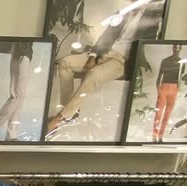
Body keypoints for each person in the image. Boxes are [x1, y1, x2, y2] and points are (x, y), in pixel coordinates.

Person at [46, 1, 149, 134]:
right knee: (65, 62)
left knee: (93, 74)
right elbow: (106, 36)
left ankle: (59, 119)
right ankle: (70, 111)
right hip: (104, 53)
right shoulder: (122, 14)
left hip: (121, 61)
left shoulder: (150, 18)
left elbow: (146, 45)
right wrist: (92, 56)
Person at [0, 42, 33, 141]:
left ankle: (12, 135)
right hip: (23, 54)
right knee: (17, 97)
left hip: (19, 53)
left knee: (18, 97)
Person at [153, 44, 184, 143]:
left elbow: (180, 77)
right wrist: (158, 89)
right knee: (159, 113)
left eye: (178, 47)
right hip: (164, 86)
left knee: (167, 113)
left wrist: (178, 89)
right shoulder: (165, 61)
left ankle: (160, 136)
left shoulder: (181, 62)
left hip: (174, 88)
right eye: (175, 47)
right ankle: (154, 135)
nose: (176, 49)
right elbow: (159, 76)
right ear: (172, 48)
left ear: (180, 49)